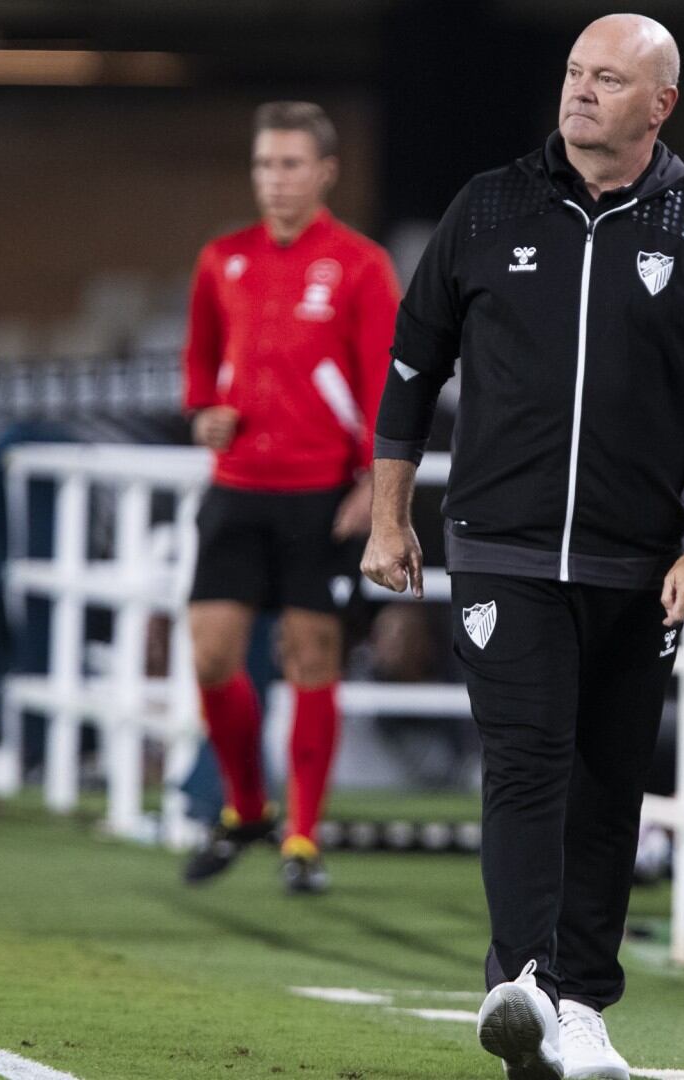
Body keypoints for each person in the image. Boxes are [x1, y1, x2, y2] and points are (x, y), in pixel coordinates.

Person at [363, 15, 684, 1079]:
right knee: (529, 757)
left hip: (639, 564)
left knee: (607, 782)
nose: (581, 92)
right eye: (574, 73)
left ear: (659, 105)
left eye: (608, 78)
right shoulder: (488, 205)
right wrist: (387, 514)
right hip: (498, 546)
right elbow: (413, 366)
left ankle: (581, 1001)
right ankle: (527, 984)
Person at [179, 102, 401, 894]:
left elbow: (387, 388)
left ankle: (301, 840)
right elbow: (201, 366)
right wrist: (205, 412)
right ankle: (246, 809)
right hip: (238, 487)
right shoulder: (221, 260)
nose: (275, 180)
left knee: (312, 659)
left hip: (319, 494)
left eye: (291, 165)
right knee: (210, 654)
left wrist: (376, 490)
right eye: (265, 165)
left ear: (326, 172)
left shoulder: (361, 266)